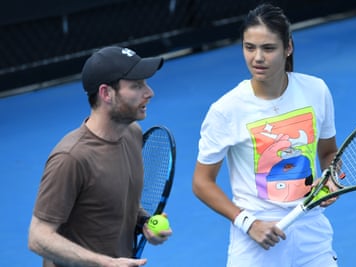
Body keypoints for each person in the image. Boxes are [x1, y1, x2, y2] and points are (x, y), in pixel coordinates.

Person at [192, 4, 339, 267]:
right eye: (249, 47)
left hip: (312, 235)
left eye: (268, 48)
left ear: (288, 47)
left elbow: (328, 152)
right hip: (255, 242)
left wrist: (332, 179)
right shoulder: (226, 110)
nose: (257, 57)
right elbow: (202, 182)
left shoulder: (316, 90)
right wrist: (248, 223)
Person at [28, 46, 172, 267]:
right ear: (106, 93)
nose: (149, 92)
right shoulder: (71, 158)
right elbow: (38, 238)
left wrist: (143, 221)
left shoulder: (132, 134)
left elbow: (117, 204)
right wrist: (103, 262)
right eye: (136, 85)